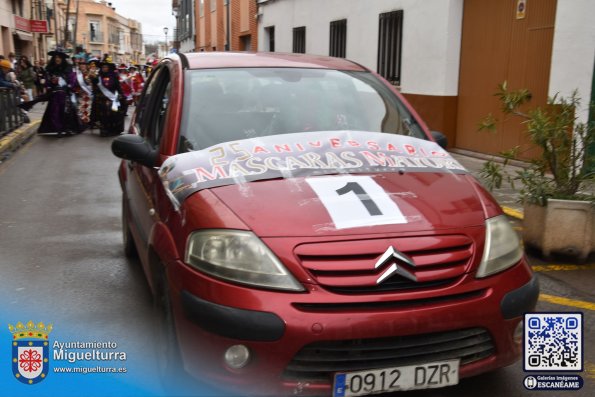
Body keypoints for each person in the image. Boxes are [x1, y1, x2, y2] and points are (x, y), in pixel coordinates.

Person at [19, 48, 82, 136]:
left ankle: (67, 128)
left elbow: (72, 80)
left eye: (59, 57)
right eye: (56, 57)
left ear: (62, 58)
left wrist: (68, 85)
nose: (57, 59)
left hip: (65, 94)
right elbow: (48, 81)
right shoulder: (50, 69)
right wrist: (49, 84)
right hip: (55, 94)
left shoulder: (68, 68)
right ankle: (58, 129)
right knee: (54, 112)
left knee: (67, 111)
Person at [94, 57, 126, 136]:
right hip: (101, 99)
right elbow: (95, 88)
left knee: (114, 114)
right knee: (102, 115)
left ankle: (113, 130)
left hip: (112, 99)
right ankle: (104, 129)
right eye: (103, 67)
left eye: (106, 67)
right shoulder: (98, 77)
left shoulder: (113, 77)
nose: (104, 68)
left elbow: (118, 87)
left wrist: (121, 95)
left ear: (109, 68)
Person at [72, 55, 94, 129]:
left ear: (86, 66)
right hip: (80, 94)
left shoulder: (90, 73)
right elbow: (74, 84)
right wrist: (77, 90)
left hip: (88, 94)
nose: (82, 66)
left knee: (88, 109)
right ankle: (82, 123)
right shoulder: (76, 74)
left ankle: (87, 123)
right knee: (80, 109)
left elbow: (93, 83)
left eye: (84, 64)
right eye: (81, 65)